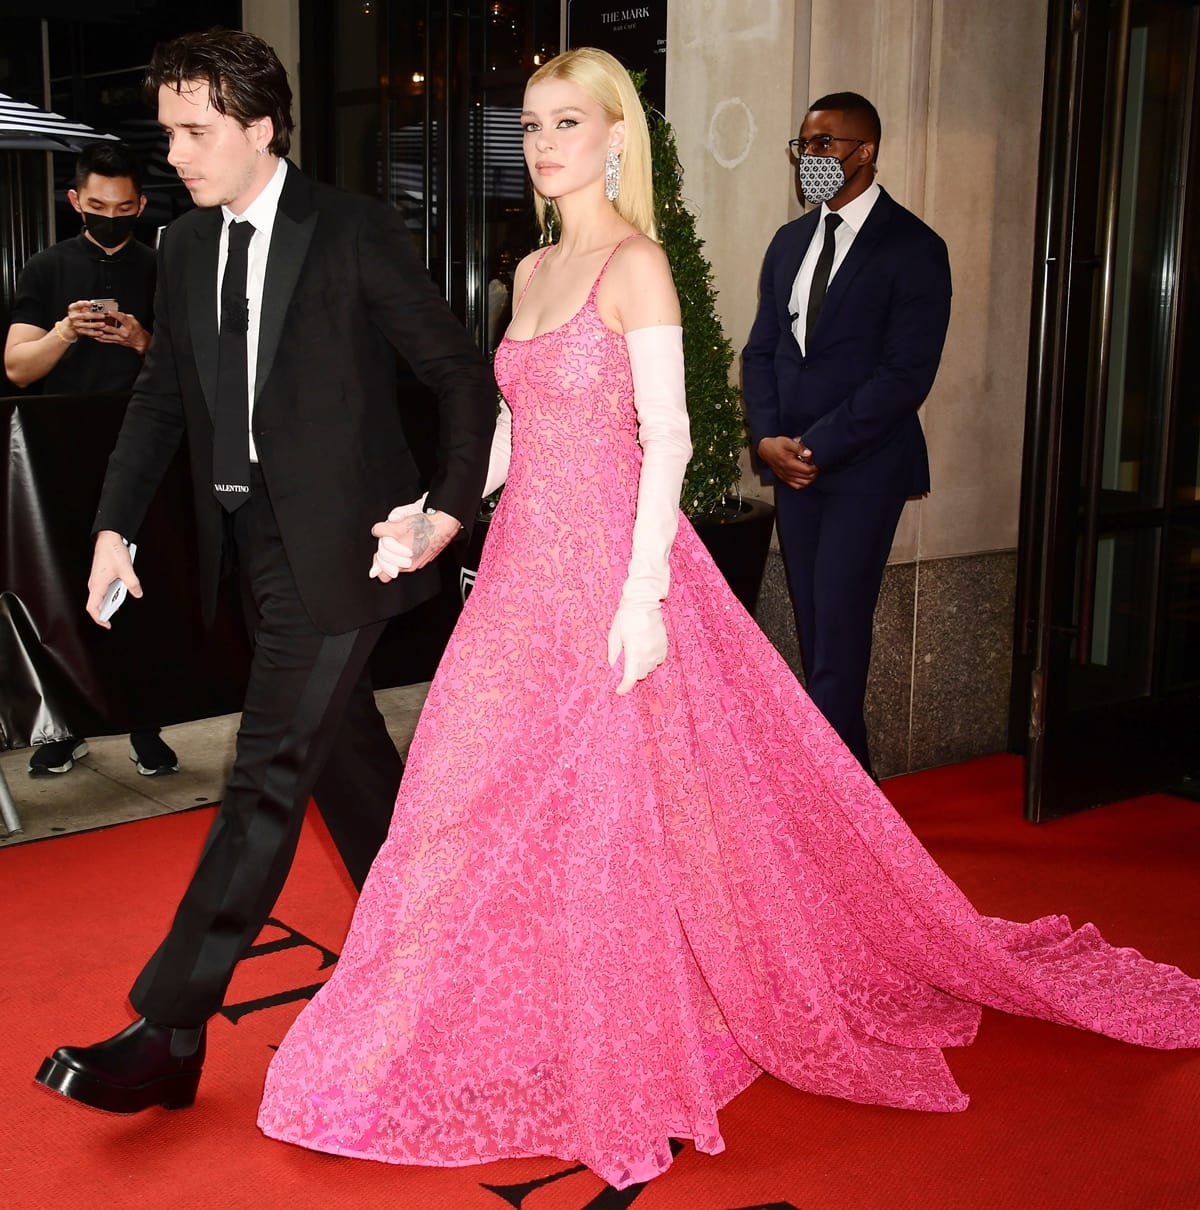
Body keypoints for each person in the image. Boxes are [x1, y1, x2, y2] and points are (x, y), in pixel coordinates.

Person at [256, 49, 1200, 1189]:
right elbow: (517, 429)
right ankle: (465, 1017)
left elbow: (672, 440)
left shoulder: (638, 265)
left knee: (620, 816)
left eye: (568, 122)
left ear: (617, 139)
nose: (545, 143)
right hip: (519, 577)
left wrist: (645, 595)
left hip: (612, 569)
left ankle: (628, 1040)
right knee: (460, 797)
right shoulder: (532, 268)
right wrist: (438, 515)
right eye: (533, 125)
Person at [34, 30, 496, 1115]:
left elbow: (461, 375)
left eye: (196, 132)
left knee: (265, 773)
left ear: (259, 126)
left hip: (345, 555)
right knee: (350, 773)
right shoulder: (186, 249)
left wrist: (445, 508)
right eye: (169, 132)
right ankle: (447, 964)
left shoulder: (350, 231)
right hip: (249, 553)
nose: (176, 154)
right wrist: (113, 528)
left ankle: (171, 1026)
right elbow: (160, 405)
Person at [742, 92, 952, 776]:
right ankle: (850, 787)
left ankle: (819, 794)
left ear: (864, 151)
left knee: (836, 626)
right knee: (817, 628)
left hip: (863, 468)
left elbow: (905, 375)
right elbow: (763, 351)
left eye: (825, 145)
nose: (810, 160)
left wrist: (818, 448)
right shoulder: (789, 241)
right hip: (794, 466)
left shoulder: (915, 247)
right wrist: (769, 438)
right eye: (803, 146)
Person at [4, 140, 178, 778]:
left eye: (125, 206)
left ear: (140, 205)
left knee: (147, 587)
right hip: (60, 452)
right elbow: (17, 369)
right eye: (98, 205)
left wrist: (141, 339)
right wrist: (64, 332)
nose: (112, 216)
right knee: (59, 585)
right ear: (76, 201)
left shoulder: (163, 267)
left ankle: (146, 723)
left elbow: (193, 368)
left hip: (148, 447)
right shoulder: (46, 268)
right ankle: (65, 725)